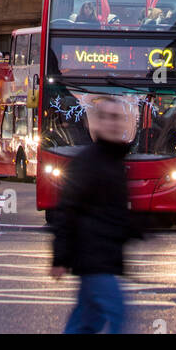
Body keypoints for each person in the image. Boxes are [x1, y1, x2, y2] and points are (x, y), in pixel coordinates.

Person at [50, 98, 136, 334]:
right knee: (117, 313)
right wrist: (60, 257)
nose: (114, 124)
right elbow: (66, 210)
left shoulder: (115, 160)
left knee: (86, 323)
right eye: (108, 117)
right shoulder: (86, 162)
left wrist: (138, 226)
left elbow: (113, 212)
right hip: (92, 257)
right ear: (96, 124)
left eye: (118, 118)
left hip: (104, 257)